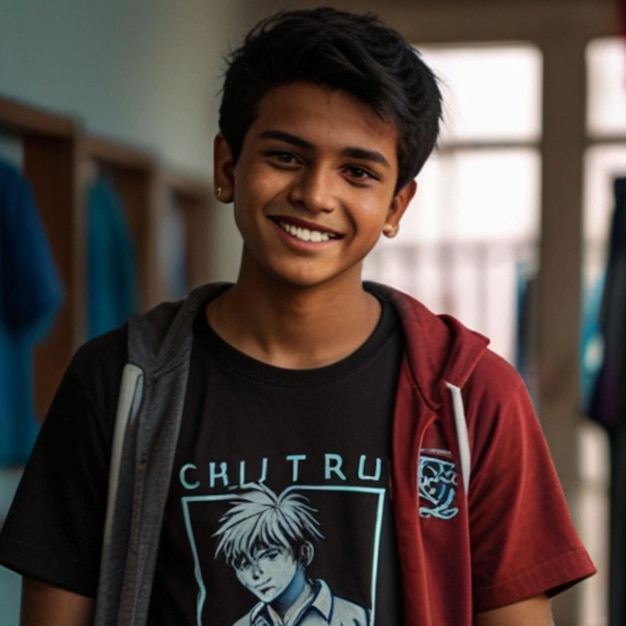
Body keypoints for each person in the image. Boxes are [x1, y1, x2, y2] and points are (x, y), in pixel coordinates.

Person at [0, 7, 595, 626]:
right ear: (228, 167)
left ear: (396, 205)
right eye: (286, 156)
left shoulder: (471, 398)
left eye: (358, 172)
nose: (315, 194)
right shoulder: (116, 384)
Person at [214, 482, 369, 625]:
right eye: (244, 564)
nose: (256, 574)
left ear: (303, 553)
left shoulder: (356, 618)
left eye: (271, 556)